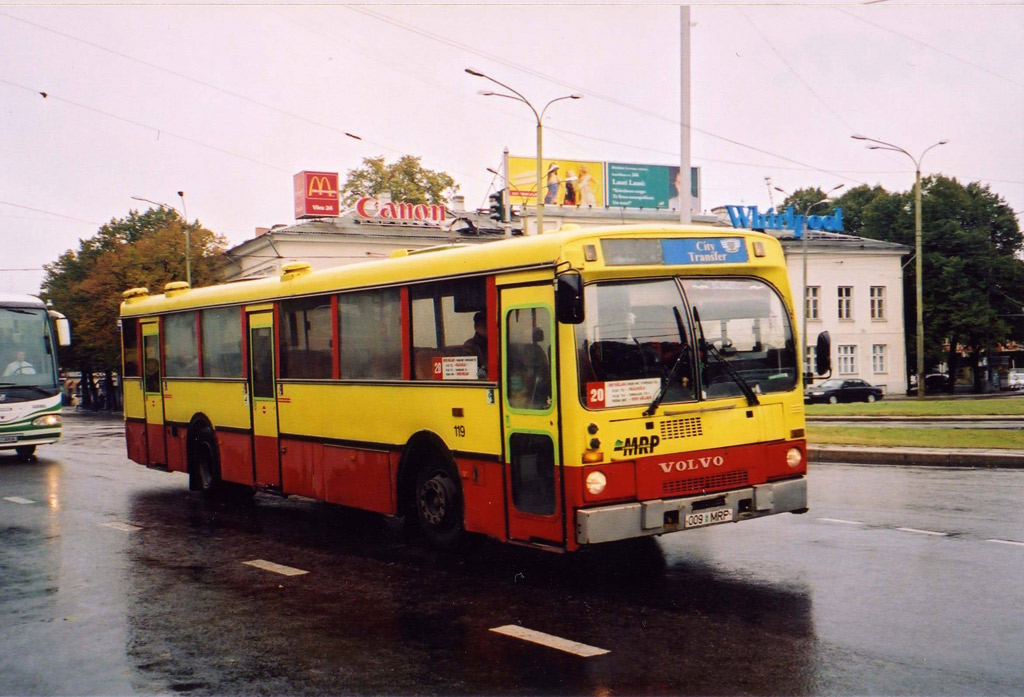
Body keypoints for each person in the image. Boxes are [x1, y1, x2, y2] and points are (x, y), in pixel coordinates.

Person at [463, 311, 488, 378]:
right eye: (484, 325)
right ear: (476, 327)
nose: (488, 328)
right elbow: (471, 372)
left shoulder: (497, 343)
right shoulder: (470, 346)